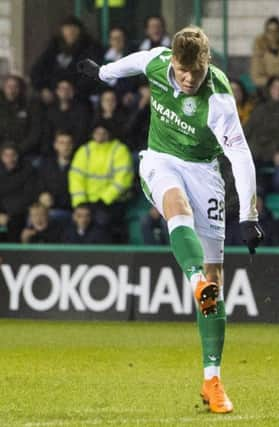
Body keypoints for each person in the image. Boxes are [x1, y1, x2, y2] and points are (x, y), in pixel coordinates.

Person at [78, 25, 264, 414]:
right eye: (182, 71)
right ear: (174, 62)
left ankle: (212, 379)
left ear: (206, 63)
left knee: (217, 284)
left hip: (206, 173)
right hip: (160, 161)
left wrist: (248, 215)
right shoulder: (160, 62)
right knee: (175, 206)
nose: (187, 79)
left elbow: (241, 157)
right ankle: (197, 282)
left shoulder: (219, 100)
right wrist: (103, 73)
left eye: (194, 72)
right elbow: (133, 63)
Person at [68, 121, 133, 239]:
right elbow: (76, 177)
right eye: (97, 132)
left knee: (102, 221)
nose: (100, 135)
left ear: (109, 134)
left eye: (103, 132)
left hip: (112, 202)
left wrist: (104, 200)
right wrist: (80, 202)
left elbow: (123, 180)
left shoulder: (119, 150)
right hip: (86, 202)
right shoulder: (85, 150)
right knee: (74, 221)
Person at [30, 15, 102, 103]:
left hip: (80, 96)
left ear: (80, 31)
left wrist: (74, 90)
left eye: (73, 29)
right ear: (61, 31)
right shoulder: (54, 46)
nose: (70, 32)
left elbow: (92, 73)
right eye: (66, 29)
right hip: (53, 94)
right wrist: (43, 88)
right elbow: (37, 70)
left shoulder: (90, 47)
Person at [0, 143, 39, 242]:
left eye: (13, 155)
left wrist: (10, 214)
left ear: (18, 156)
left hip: (19, 212)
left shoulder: (27, 170)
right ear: (1, 157)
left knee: (16, 222)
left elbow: (29, 195)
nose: (10, 159)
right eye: (6, 155)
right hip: (2, 211)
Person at [0, 75, 45, 160]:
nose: (11, 90)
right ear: (4, 88)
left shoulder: (30, 105)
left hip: (25, 152)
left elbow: (35, 132)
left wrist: (18, 150)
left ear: (20, 89)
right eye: (9, 86)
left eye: (15, 87)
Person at [45, 79, 90, 152]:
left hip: (75, 148)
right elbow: (47, 133)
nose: (64, 91)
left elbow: (81, 132)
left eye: (67, 88)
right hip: (53, 149)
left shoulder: (81, 110)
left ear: (72, 91)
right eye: (62, 88)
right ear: (57, 91)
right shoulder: (50, 110)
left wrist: (69, 145)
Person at [37, 130, 74, 218]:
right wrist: (42, 194)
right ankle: (3, 230)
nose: (65, 146)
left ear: (73, 145)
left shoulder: (78, 165)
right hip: (44, 208)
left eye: (68, 143)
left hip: (67, 209)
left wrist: (55, 201)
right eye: (62, 143)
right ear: (55, 145)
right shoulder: (46, 164)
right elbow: (38, 183)